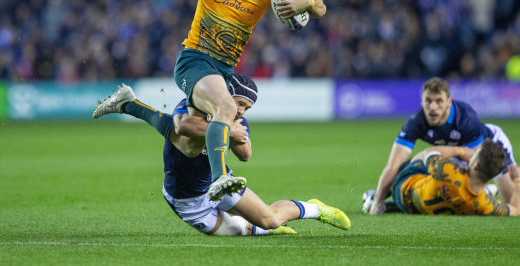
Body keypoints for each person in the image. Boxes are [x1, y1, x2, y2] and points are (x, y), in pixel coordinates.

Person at [100, 0, 327, 202]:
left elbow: (320, 5)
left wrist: (305, 2)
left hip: (224, 69)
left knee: (187, 142)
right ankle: (220, 178)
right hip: (195, 58)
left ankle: (128, 104)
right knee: (226, 107)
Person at [92, 74, 350, 236]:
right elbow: (182, 126)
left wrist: (236, 134)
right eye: (239, 104)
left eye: (247, 108)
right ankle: (131, 105)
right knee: (238, 228)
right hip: (189, 200)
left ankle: (317, 208)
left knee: (270, 220)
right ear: (225, 96)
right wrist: (229, 131)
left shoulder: (236, 119)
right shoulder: (195, 104)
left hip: (221, 183)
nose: (241, 112)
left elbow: (246, 155)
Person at [367, 77, 520, 215]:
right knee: (407, 170)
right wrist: (378, 201)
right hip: (456, 155)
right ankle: (489, 191)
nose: (433, 107)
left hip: (488, 147)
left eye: (439, 101)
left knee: (508, 200)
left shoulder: (465, 119)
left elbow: (474, 159)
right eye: (428, 101)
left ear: (449, 102)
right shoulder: (416, 122)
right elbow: (393, 165)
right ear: (421, 101)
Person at [367, 140, 520, 216]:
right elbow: (517, 210)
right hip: (418, 209)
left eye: (475, 155)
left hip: (402, 189)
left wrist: (461, 151)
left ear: (475, 166)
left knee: (419, 157)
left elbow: (428, 153)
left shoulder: (449, 172)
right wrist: (519, 182)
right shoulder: (485, 204)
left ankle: (377, 197)